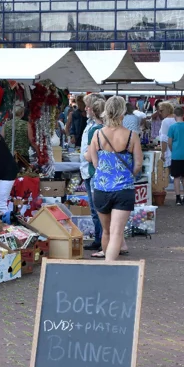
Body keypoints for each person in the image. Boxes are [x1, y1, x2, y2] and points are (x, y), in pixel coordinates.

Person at [86, 96, 143, 262]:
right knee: (117, 232)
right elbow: (138, 164)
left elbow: (94, 162)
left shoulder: (97, 134)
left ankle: (106, 266)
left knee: (106, 231)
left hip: (101, 189)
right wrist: (127, 175)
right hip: (124, 188)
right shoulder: (132, 136)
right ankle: (110, 266)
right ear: (122, 113)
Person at [81, 94, 106, 253]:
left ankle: (100, 240)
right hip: (90, 171)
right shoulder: (92, 126)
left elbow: (90, 156)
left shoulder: (95, 129)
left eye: (87, 107)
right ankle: (101, 239)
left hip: (92, 172)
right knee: (98, 210)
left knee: (97, 210)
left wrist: (85, 155)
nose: (85, 109)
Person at [167, 106, 184, 206]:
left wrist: (173, 149)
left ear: (174, 115)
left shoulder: (172, 127)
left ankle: (178, 197)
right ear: (183, 115)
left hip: (176, 154)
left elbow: (169, 142)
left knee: (176, 177)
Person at [157, 101, 175, 174]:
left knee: (167, 177)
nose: (160, 113)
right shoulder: (176, 119)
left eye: (161, 110)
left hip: (168, 151)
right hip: (177, 151)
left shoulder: (165, 121)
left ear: (167, 109)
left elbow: (164, 139)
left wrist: (162, 153)